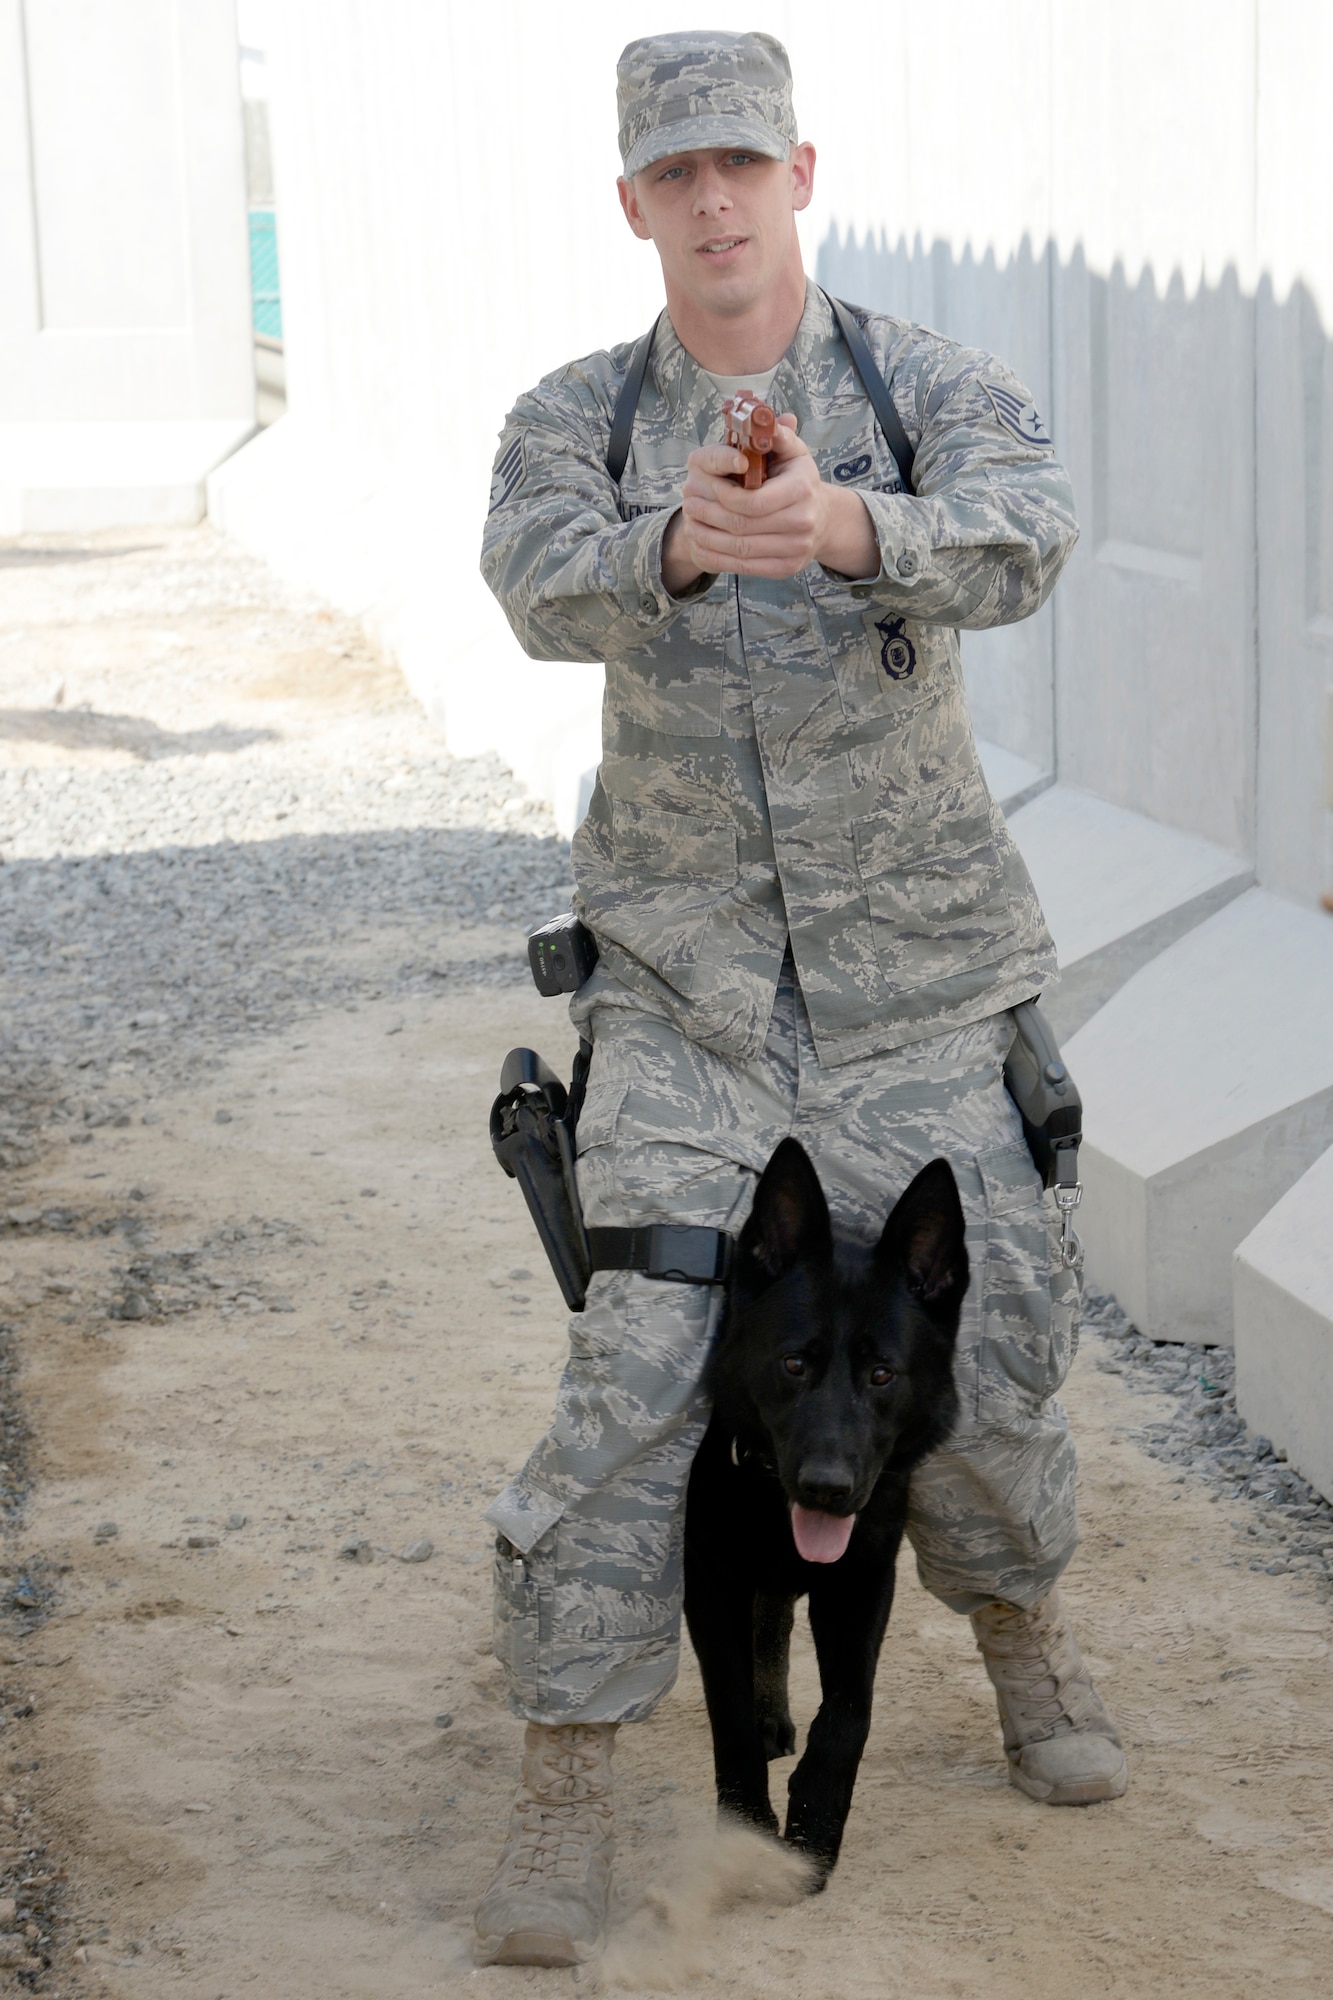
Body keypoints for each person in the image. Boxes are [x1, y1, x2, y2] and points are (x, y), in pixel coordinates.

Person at [475, 29, 1126, 1968]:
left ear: (799, 172)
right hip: (689, 1001)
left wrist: (854, 527)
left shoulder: (915, 388)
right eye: (675, 175)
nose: (714, 202)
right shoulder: (580, 419)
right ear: (633, 205)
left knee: (985, 1359)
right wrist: (671, 543)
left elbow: (1033, 527)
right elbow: (527, 574)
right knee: (635, 1372)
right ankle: (567, 1783)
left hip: (922, 993)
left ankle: (1024, 1643)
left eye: (740, 165)